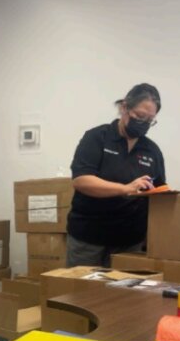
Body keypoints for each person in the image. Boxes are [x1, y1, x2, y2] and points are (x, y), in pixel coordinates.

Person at [66, 83, 166, 267]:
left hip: (130, 242)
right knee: (82, 286)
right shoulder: (97, 137)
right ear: (124, 107)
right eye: (140, 116)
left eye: (150, 120)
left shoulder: (152, 151)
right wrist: (125, 188)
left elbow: (160, 195)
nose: (144, 123)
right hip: (88, 238)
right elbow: (81, 180)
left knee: (125, 287)